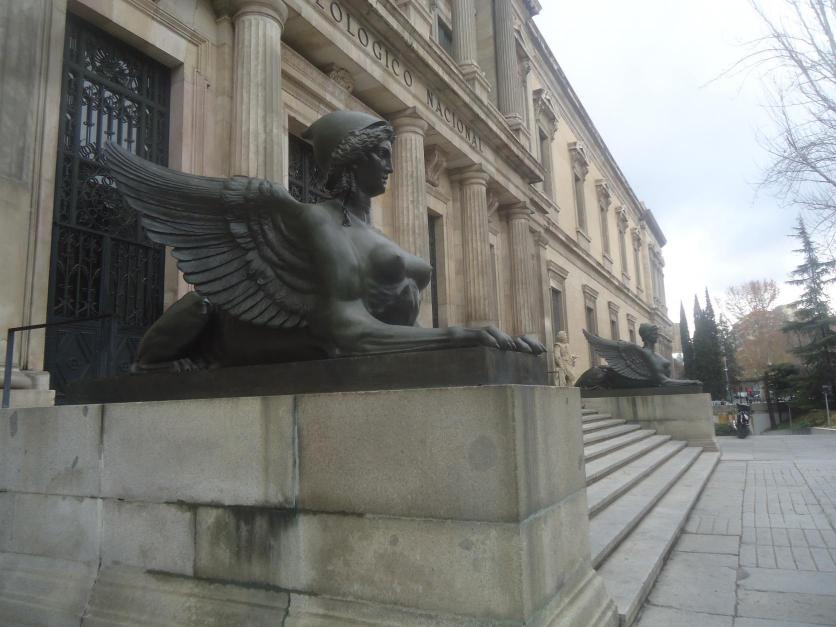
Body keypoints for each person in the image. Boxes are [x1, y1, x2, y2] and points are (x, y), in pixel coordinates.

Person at [104, 111, 546, 371]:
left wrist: (478, 340)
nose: (391, 167)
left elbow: (393, 332)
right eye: (381, 155)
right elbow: (347, 334)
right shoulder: (319, 222)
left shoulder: (370, 234)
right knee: (199, 305)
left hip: (336, 341)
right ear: (351, 160)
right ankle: (151, 363)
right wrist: (460, 337)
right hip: (228, 339)